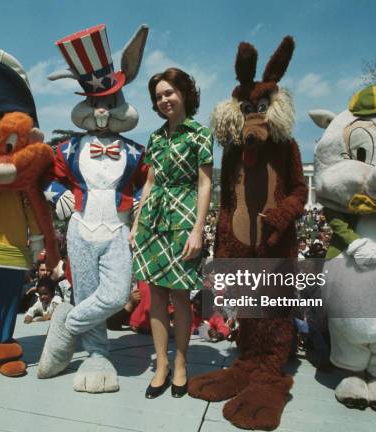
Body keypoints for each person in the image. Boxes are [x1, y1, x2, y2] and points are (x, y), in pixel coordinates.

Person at [130, 68, 213, 399]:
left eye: (169, 92)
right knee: (156, 298)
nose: (164, 99)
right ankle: (161, 366)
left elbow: (205, 183)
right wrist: (137, 223)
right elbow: (150, 181)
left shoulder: (200, 135)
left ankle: (181, 364)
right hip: (153, 222)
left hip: (183, 220)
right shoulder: (155, 137)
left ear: (184, 94)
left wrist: (198, 229)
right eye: (158, 96)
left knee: (180, 297)